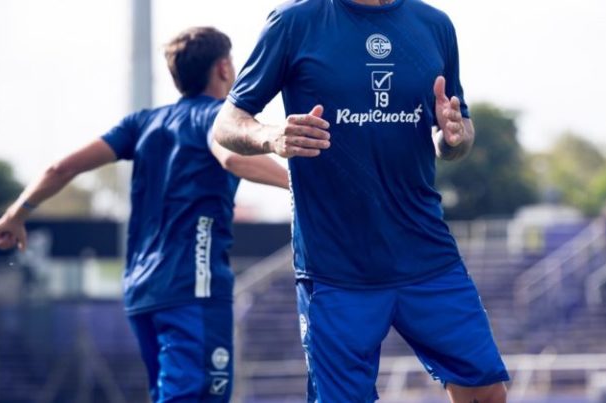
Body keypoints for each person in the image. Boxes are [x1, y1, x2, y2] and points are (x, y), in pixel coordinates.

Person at [211, 1, 510, 401]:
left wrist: (454, 136)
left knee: (485, 394)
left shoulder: (434, 25)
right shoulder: (295, 22)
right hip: (335, 267)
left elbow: (455, 133)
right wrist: (272, 136)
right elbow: (226, 124)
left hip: (427, 255)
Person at [0, 27, 289, 402]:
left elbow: (59, 168)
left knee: (171, 393)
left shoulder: (141, 123)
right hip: (192, 284)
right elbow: (232, 156)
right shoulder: (218, 118)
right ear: (223, 68)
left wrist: (16, 214)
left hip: (142, 289)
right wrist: (296, 185)